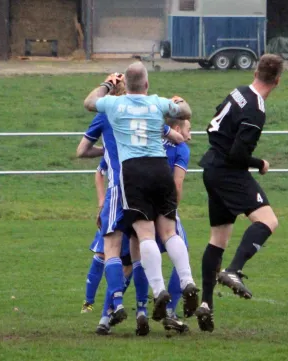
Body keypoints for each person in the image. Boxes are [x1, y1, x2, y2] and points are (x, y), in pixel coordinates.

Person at [83, 63, 199, 325]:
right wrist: (179, 101)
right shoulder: (157, 103)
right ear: (146, 84)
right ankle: (188, 280)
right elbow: (186, 112)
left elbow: (89, 102)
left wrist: (108, 85)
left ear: (127, 85)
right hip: (159, 168)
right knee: (169, 232)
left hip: (133, 172)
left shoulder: (114, 105)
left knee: (145, 234)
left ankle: (158, 290)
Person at [195, 54, 284, 332]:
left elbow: (214, 123)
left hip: (211, 166)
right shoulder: (256, 109)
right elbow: (238, 154)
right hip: (227, 171)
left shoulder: (239, 92)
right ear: (277, 81)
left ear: (256, 71)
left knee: (218, 238)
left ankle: (206, 303)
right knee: (268, 221)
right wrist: (260, 164)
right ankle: (233, 270)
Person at [78, 76, 152, 335]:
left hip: (118, 188)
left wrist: (105, 151)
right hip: (145, 186)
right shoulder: (146, 110)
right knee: (139, 251)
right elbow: (171, 136)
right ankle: (143, 309)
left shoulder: (106, 112)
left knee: (109, 249)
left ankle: (114, 305)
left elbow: (81, 150)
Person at [81, 159, 133, 314]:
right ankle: (88, 302)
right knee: (102, 253)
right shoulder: (114, 146)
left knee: (129, 261)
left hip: (135, 205)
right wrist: (102, 201)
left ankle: (112, 306)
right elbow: (99, 171)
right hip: (114, 205)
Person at [159, 116, 192, 333]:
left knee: (131, 257)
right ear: (177, 128)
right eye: (189, 128)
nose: (191, 133)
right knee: (182, 249)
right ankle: (169, 309)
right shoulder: (181, 148)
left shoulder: (155, 140)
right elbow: (177, 184)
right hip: (164, 207)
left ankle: (114, 309)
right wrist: (173, 211)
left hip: (138, 202)